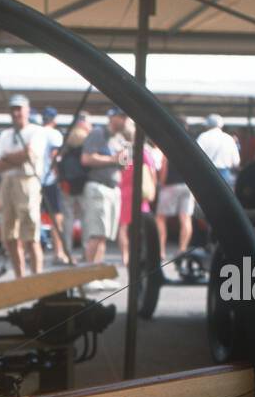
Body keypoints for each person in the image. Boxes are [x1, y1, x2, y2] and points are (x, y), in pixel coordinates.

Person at [0, 95, 48, 278]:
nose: (16, 113)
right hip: (7, 182)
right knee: (8, 234)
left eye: (19, 108)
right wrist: (16, 158)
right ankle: (19, 277)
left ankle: (36, 277)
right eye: (13, 109)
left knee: (30, 233)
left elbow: (30, 155)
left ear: (27, 110)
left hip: (27, 181)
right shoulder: (6, 134)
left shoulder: (36, 131)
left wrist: (8, 158)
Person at [79, 108, 130, 285]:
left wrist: (125, 155)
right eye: (121, 116)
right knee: (95, 233)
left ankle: (97, 275)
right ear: (112, 117)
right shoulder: (98, 133)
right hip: (98, 187)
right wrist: (113, 160)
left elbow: (124, 164)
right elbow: (86, 159)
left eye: (126, 117)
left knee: (104, 235)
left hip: (113, 188)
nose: (124, 120)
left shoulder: (121, 139)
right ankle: (87, 275)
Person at [117, 120, 157, 268]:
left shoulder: (123, 152)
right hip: (140, 191)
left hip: (124, 191)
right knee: (143, 223)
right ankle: (141, 253)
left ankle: (125, 256)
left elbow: (121, 170)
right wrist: (153, 188)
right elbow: (152, 172)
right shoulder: (144, 151)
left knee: (123, 226)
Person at [35, 106, 71, 266]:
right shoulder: (55, 134)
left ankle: (33, 252)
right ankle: (59, 253)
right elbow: (54, 155)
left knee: (34, 216)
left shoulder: (36, 131)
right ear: (54, 119)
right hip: (49, 179)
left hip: (35, 179)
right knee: (56, 217)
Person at [156, 132, 195, 261]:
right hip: (187, 186)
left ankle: (160, 251)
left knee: (161, 218)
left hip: (170, 185)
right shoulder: (191, 147)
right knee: (185, 217)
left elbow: (164, 166)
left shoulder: (169, 146)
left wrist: (161, 183)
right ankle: (182, 249)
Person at [57, 119, 91, 263]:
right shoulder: (87, 144)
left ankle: (68, 252)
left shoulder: (66, 144)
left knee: (68, 220)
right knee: (85, 219)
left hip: (67, 185)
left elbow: (59, 164)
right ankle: (86, 251)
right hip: (83, 183)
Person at [196, 113, 239, 187]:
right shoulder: (229, 138)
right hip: (225, 175)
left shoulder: (203, 137)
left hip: (206, 174)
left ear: (207, 125)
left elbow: (195, 156)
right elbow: (236, 161)